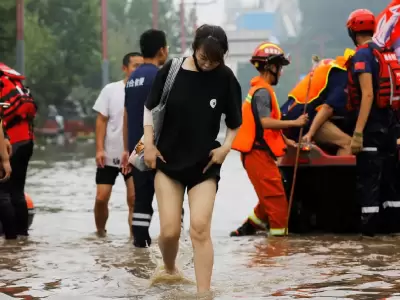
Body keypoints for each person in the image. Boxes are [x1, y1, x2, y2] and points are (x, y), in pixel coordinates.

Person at [142, 24, 242, 293]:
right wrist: (149, 144)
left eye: (214, 60)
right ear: (194, 48)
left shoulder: (226, 78)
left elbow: (235, 122)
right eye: (203, 58)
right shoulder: (172, 70)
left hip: (205, 164)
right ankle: (170, 268)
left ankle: (203, 293)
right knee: (170, 231)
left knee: (199, 227)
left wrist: (226, 147)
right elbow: (149, 108)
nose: (208, 64)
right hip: (168, 161)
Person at [229, 42, 307, 237]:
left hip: (258, 153)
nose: (280, 73)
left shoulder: (261, 90)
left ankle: (248, 229)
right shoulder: (262, 92)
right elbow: (265, 123)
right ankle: (277, 249)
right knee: (277, 199)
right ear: (270, 67)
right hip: (256, 154)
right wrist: (296, 123)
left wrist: (287, 142)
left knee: (271, 195)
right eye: (279, 68)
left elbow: (264, 129)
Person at [121, 29, 184, 248]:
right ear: (161, 50)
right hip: (160, 148)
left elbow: (127, 115)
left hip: (137, 149)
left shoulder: (132, 79)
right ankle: (177, 247)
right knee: (173, 199)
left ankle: (139, 249)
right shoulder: (161, 75)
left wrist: (127, 148)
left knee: (142, 202)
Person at [346, 9, 400, 236]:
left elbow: (367, 95)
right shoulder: (387, 53)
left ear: (352, 31)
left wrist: (357, 133)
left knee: (369, 184)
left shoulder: (363, 55)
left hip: (372, 129)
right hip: (391, 126)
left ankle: (369, 242)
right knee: (392, 184)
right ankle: (394, 235)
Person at [93, 52, 143, 238]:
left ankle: (133, 242)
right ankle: (100, 234)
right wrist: (99, 149)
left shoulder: (144, 90)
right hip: (109, 154)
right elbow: (101, 120)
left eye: (141, 65)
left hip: (133, 155)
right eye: (134, 66)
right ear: (125, 68)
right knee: (101, 197)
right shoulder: (111, 90)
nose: (138, 69)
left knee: (133, 199)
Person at [281, 52, 353, 156]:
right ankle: (339, 173)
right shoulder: (344, 76)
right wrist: (310, 133)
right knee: (348, 144)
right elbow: (327, 108)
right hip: (303, 117)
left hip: (290, 114)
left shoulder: (335, 67)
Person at [0, 62, 36, 237]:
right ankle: (22, 237)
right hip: (26, 140)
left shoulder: (2, 81)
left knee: (3, 192)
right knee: (17, 191)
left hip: (8, 142)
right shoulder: (13, 80)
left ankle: (10, 239)